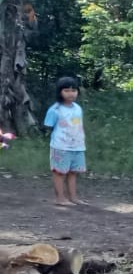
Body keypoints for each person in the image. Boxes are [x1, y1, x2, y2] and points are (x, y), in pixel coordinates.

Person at [42, 76, 87, 208]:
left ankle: (73, 197)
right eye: (66, 90)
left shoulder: (78, 108)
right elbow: (48, 127)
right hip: (60, 146)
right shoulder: (55, 109)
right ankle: (60, 198)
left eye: (73, 90)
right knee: (59, 172)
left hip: (78, 146)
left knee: (73, 172)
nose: (71, 93)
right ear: (60, 92)